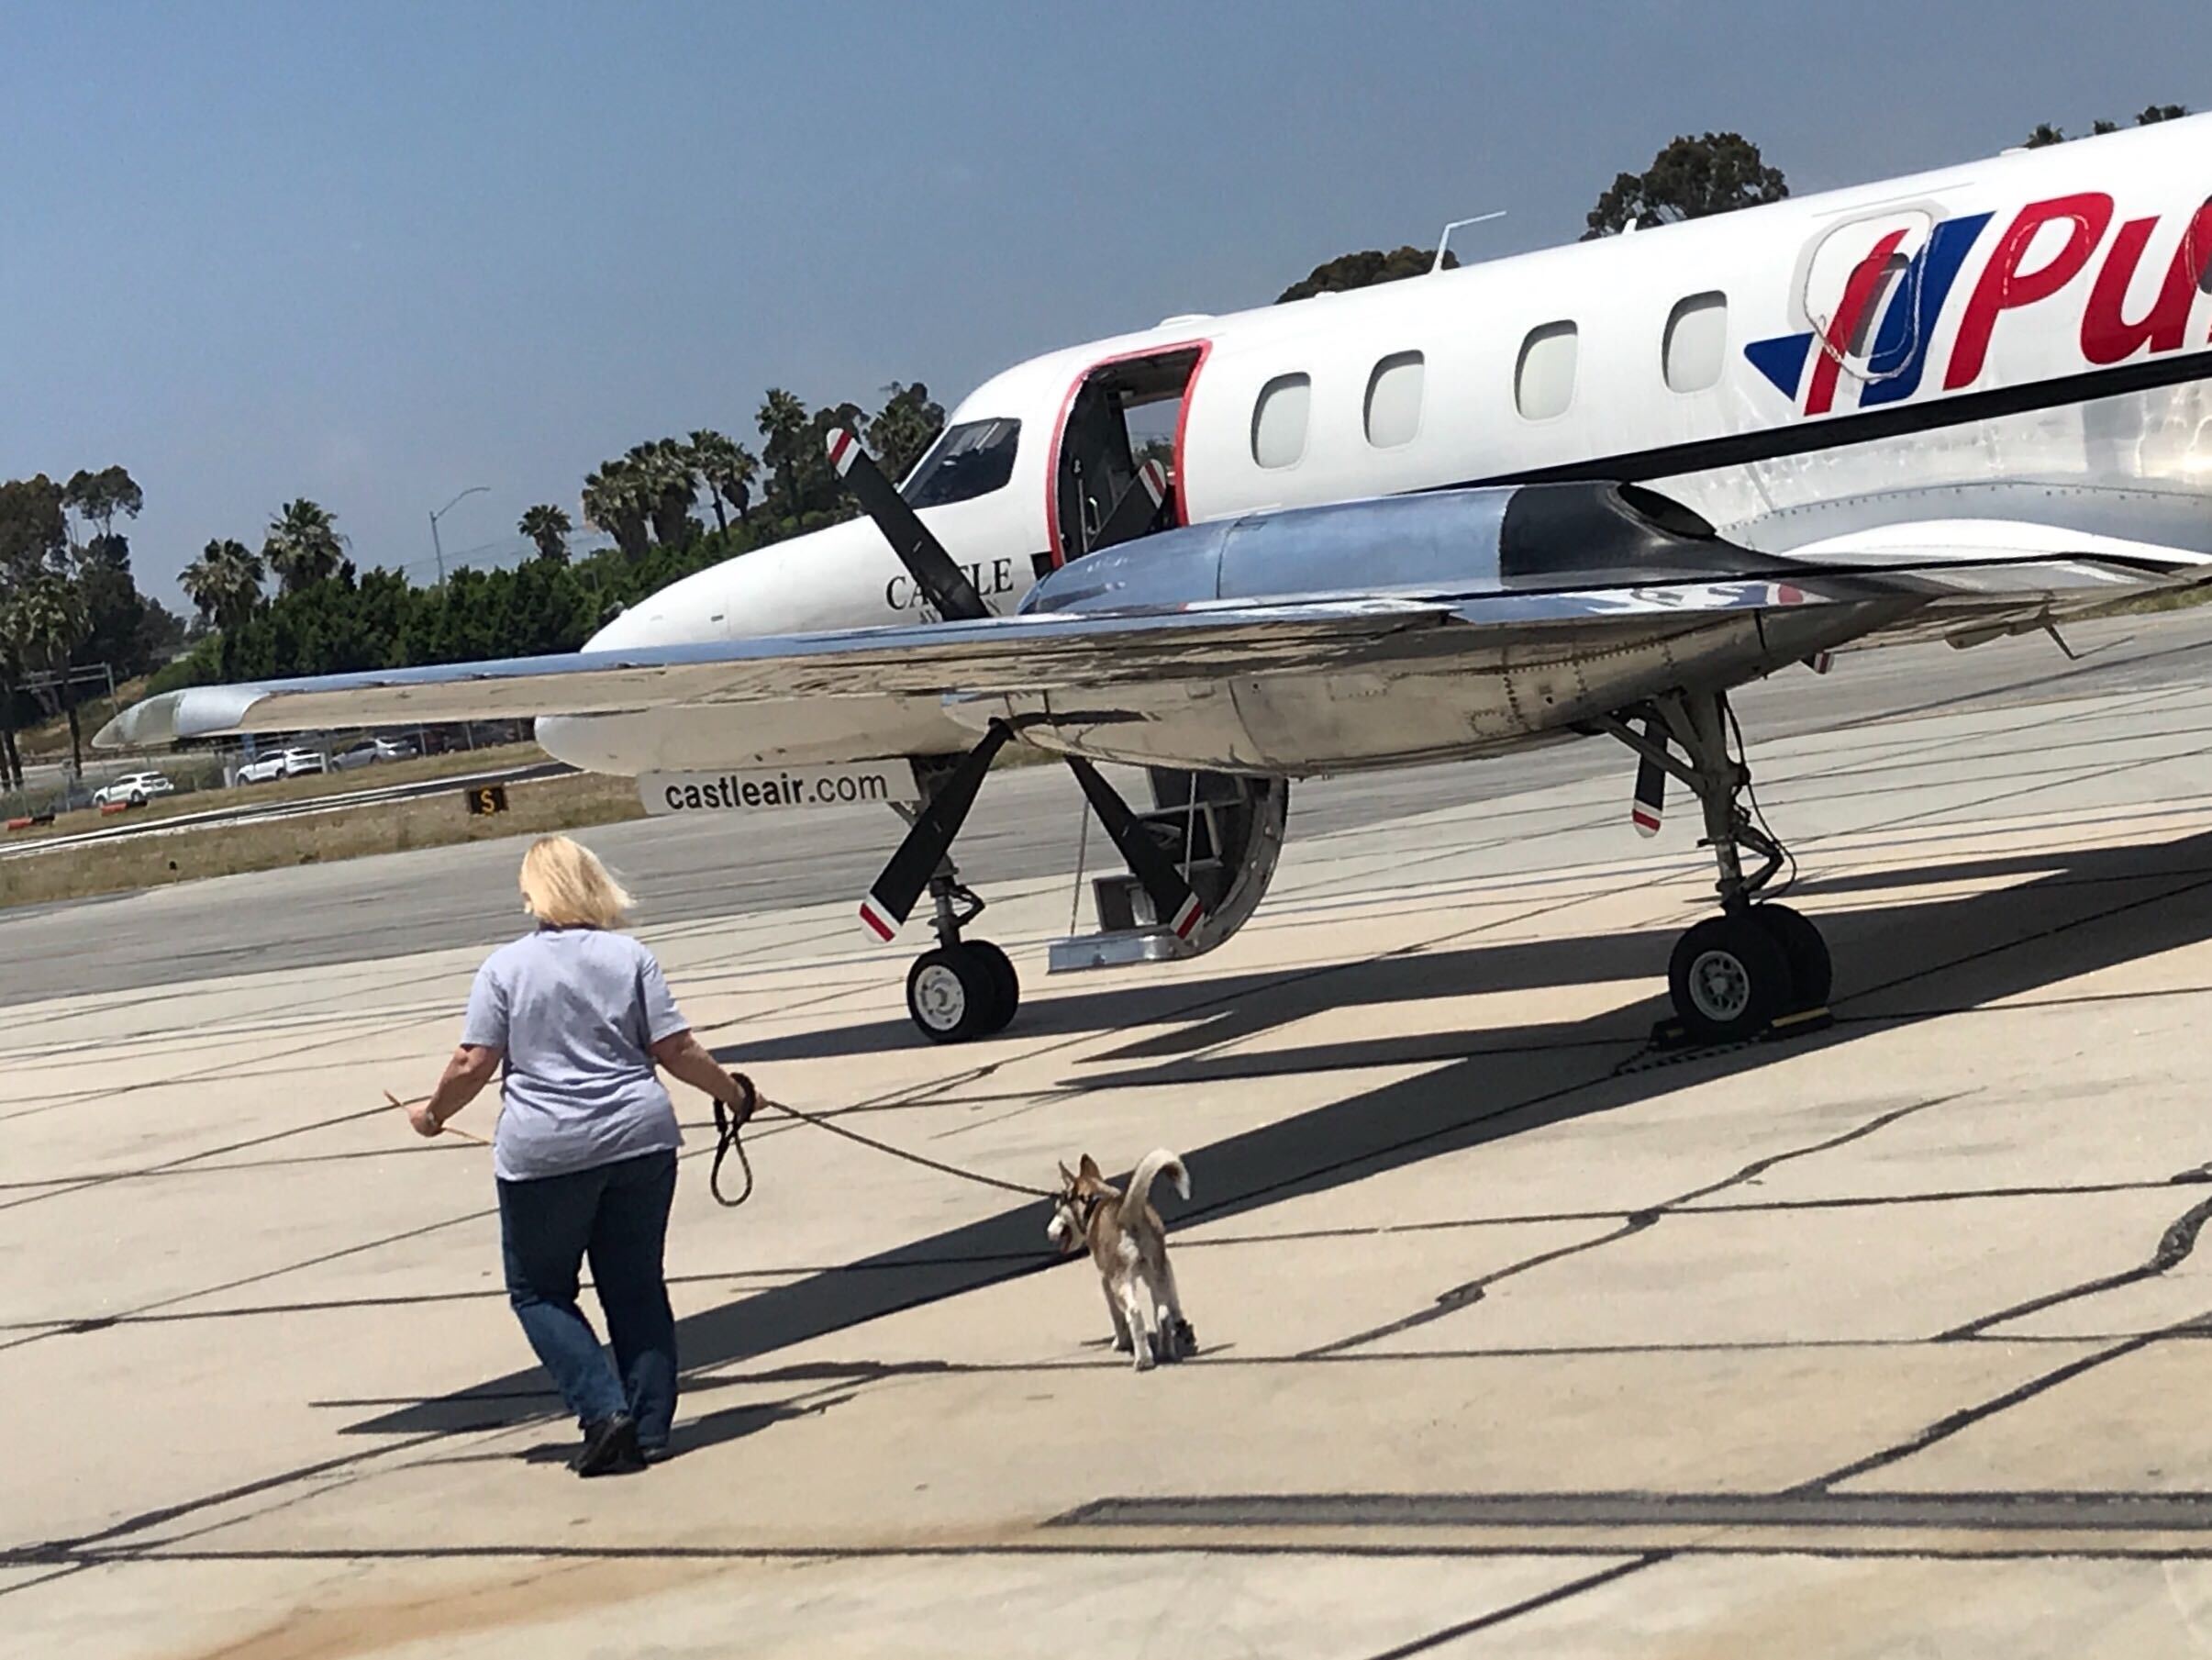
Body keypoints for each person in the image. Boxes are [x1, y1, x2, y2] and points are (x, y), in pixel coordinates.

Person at [407, 834, 761, 1476]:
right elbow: (676, 1050)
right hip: (638, 1140)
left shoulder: (505, 968)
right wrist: (733, 1093)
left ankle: (604, 1411)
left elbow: (473, 1061)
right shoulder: (629, 956)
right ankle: (650, 1428)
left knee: (539, 1291)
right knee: (635, 1287)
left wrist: (433, 1116)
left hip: (547, 1152)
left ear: (530, 894)